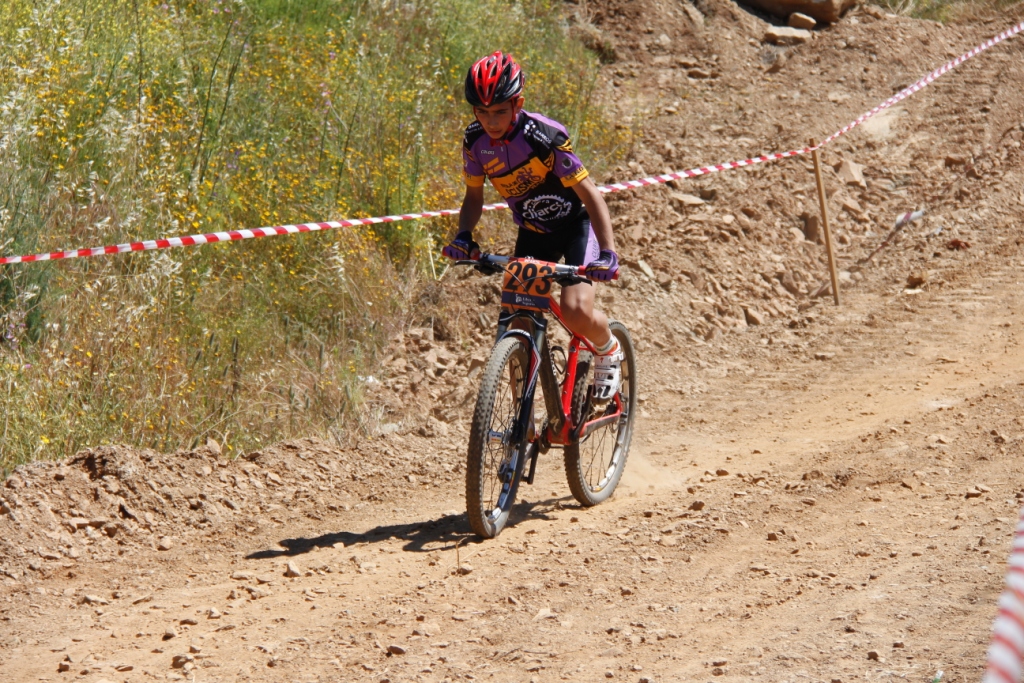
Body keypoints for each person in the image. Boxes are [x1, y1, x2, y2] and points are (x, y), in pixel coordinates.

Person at [441, 51, 622, 402]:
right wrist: (464, 235)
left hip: (575, 228)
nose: (491, 121)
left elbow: (590, 195)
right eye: (482, 112)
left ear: (518, 103)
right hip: (532, 233)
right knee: (518, 320)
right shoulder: (474, 142)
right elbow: (473, 197)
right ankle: (518, 431)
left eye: (499, 112)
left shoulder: (544, 137)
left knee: (575, 311)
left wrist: (609, 252)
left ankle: (607, 347)